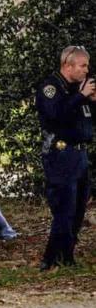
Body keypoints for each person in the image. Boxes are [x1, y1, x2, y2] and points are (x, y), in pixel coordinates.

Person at [35, 46, 96, 270]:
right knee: (64, 208)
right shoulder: (52, 88)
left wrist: (91, 100)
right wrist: (80, 96)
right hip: (60, 155)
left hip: (80, 155)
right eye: (82, 66)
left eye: (87, 66)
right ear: (67, 66)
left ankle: (66, 256)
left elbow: (87, 122)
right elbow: (56, 116)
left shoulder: (78, 91)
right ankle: (50, 259)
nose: (86, 70)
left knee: (79, 208)